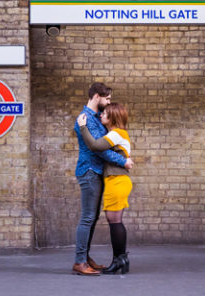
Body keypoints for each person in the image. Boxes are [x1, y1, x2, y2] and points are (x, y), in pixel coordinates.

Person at [72, 82, 134, 276]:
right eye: (107, 98)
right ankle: (80, 261)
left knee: (93, 218)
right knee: (88, 218)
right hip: (89, 170)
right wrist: (123, 161)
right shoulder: (86, 119)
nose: (108, 103)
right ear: (97, 96)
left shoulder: (95, 119)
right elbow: (99, 149)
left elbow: (106, 146)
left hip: (97, 172)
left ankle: (85, 258)